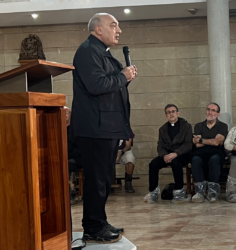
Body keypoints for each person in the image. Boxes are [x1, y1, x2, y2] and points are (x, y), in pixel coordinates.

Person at [70, 13, 137, 243]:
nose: (118, 30)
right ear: (98, 29)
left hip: (105, 126)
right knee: (97, 179)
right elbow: (96, 84)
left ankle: (99, 220)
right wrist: (122, 76)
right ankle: (92, 227)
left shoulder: (102, 53)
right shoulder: (88, 50)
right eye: (113, 25)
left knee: (104, 179)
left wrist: (123, 77)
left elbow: (110, 83)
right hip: (94, 127)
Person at [143, 104, 192, 204]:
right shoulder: (163, 129)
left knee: (176, 163)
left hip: (182, 154)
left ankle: (179, 193)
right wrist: (164, 155)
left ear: (178, 113)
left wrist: (176, 153)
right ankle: (153, 192)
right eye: (168, 112)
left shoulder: (186, 126)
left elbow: (188, 144)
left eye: (173, 111)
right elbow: (160, 145)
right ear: (166, 115)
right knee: (153, 164)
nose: (171, 114)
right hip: (167, 154)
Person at [191, 103, 228, 203]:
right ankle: (200, 192)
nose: (210, 112)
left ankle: (213, 192)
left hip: (216, 152)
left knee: (214, 159)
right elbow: (196, 144)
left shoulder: (222, 126)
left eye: (213, 110)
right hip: (201, 152)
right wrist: (211, 141)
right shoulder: (199, 126)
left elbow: (217, 142)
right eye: (208, 109)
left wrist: (201, 140)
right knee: (195, 159)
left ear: (218, 114)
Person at [65, 107, 82, 205]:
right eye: (63, 113)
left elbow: (78, 148)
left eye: (67, 113)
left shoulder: (76, 129)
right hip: (63, 156)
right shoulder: (57, 127)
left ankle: (71, 194)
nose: (65, 115)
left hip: (76, 157)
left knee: (69, 164)